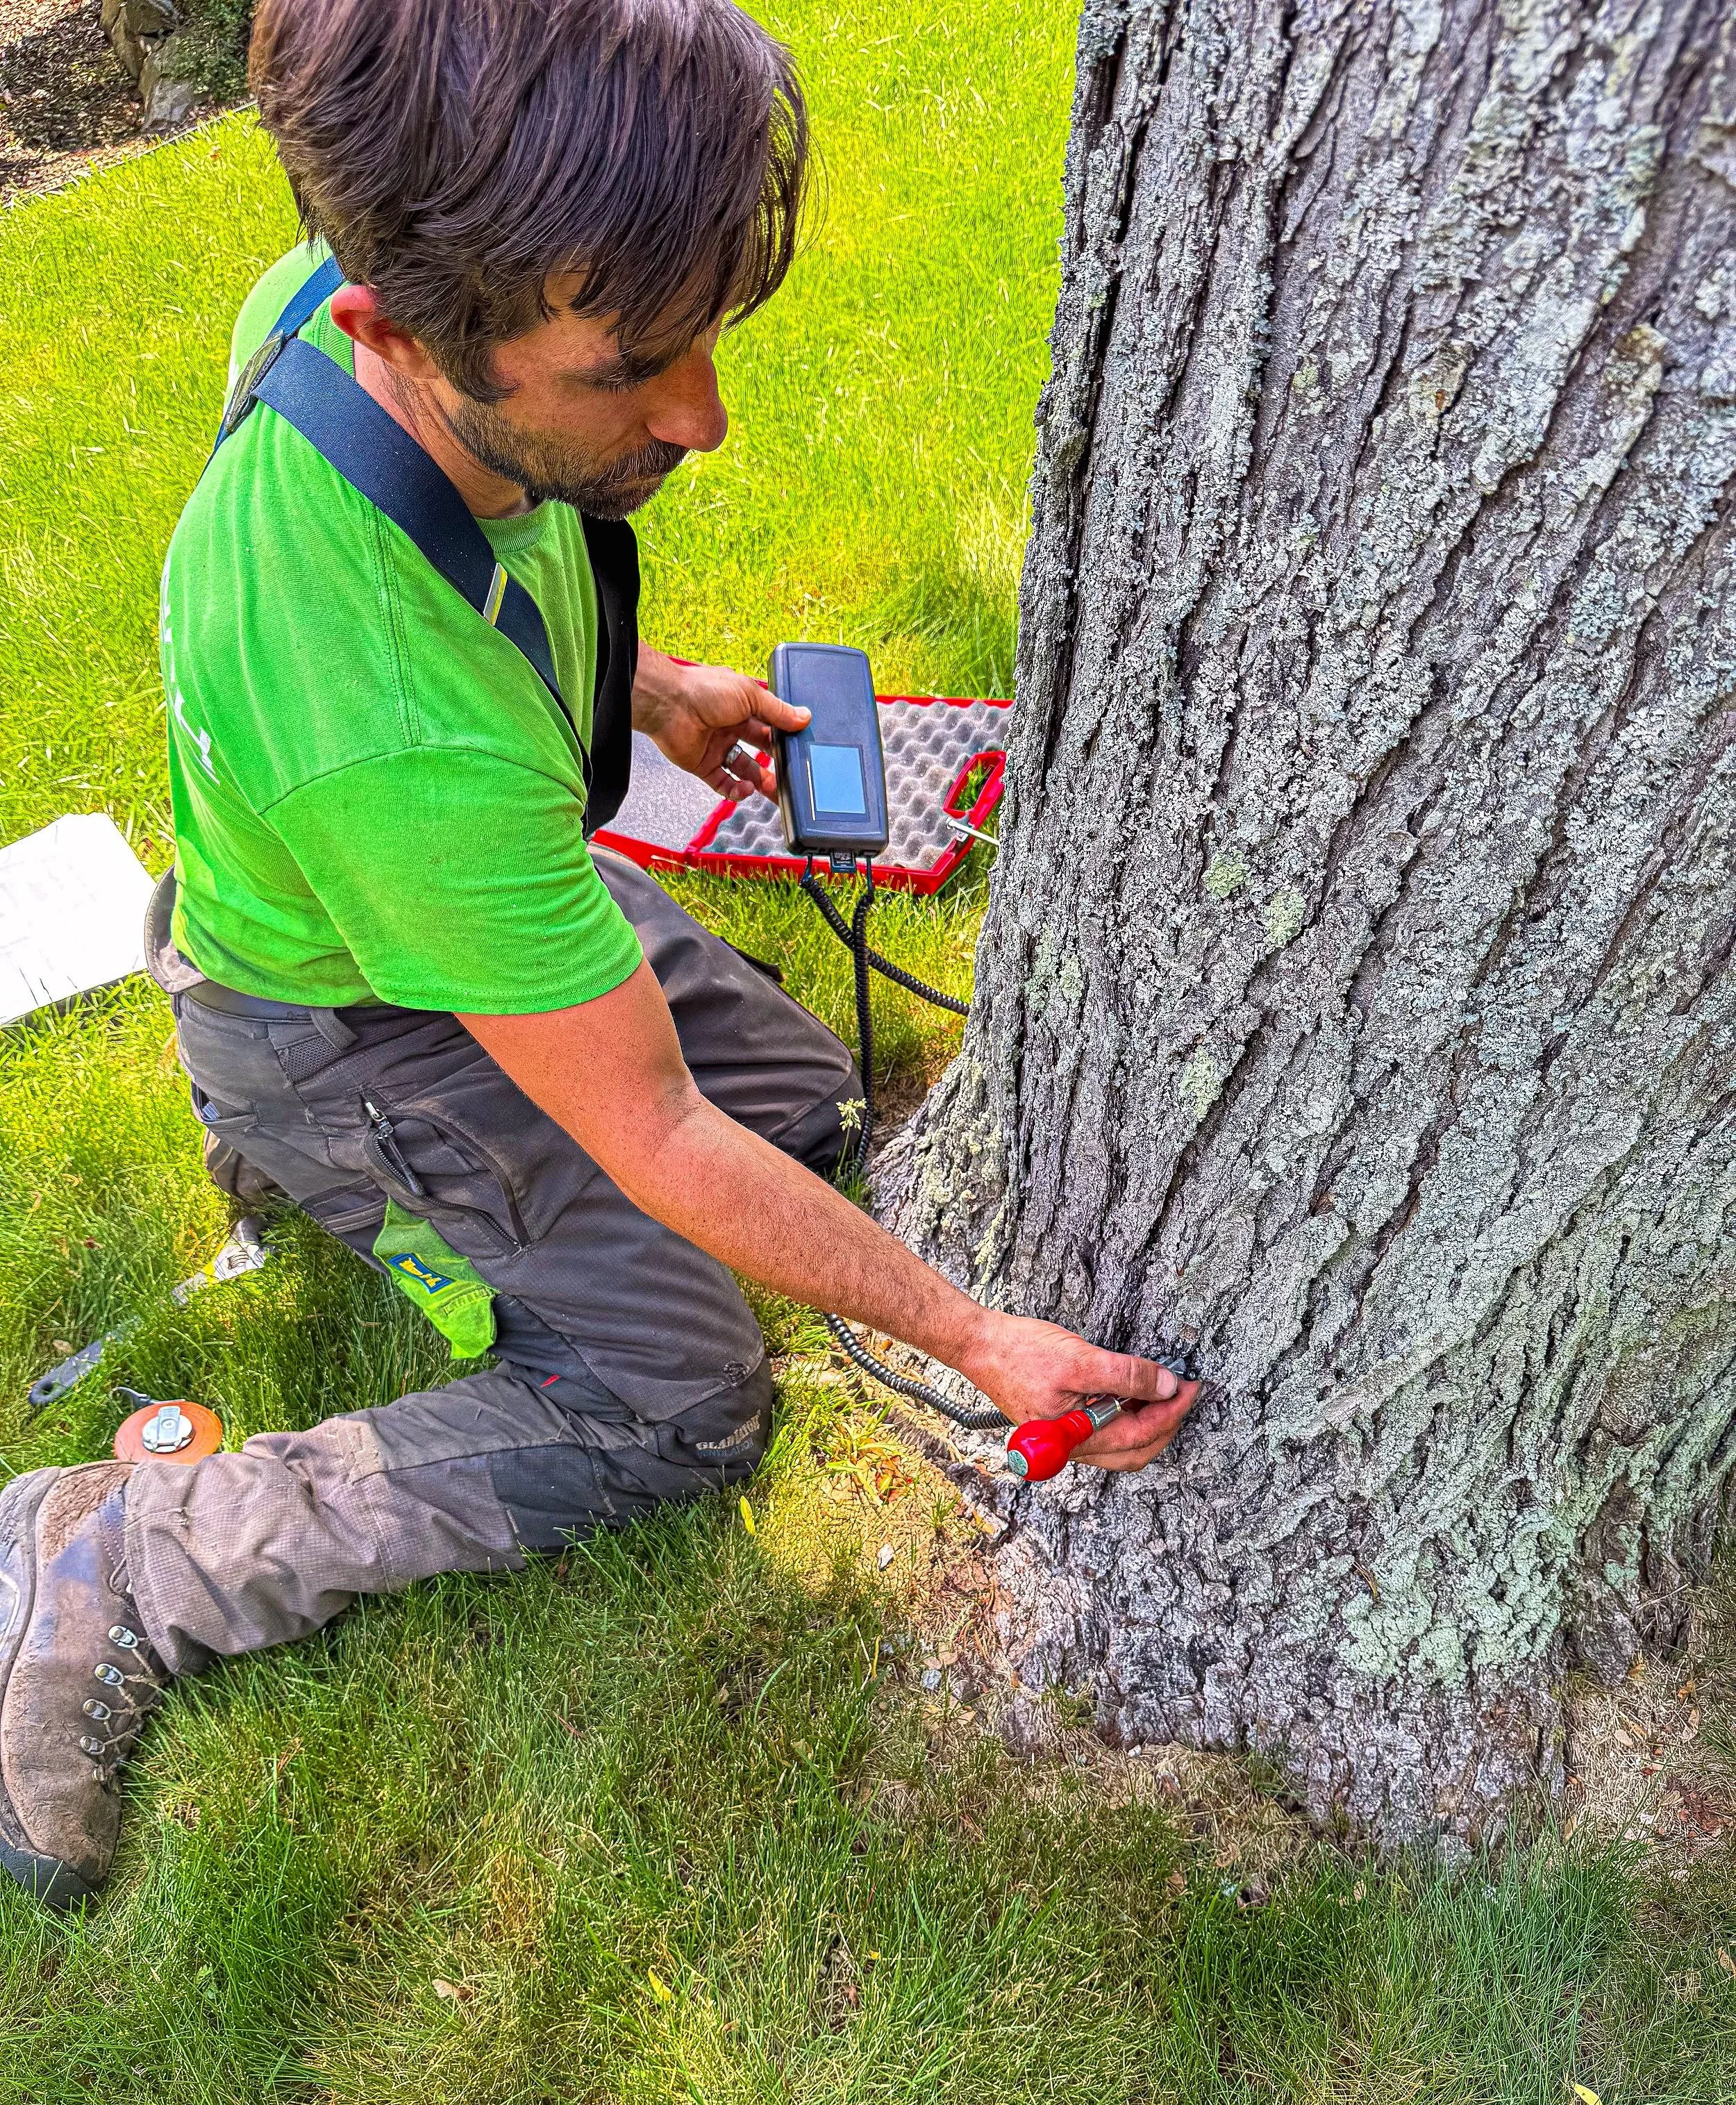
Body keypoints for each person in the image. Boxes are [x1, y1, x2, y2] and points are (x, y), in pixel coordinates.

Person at [0, 0, 1199, 1909]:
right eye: (629, 367)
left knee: (805, 1103)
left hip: (447, 889)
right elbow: (646, 1131)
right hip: (352, 1031)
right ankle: (122, 1552)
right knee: (676, 1397)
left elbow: (472, 580)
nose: (703, 415)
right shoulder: (387, 729)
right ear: (401, 328)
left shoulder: (336, 295)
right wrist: (973, 1340)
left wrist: (651, 689)